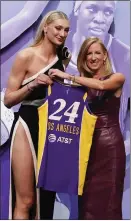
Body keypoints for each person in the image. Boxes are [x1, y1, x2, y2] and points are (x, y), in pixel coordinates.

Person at [49, 37, 126, 219]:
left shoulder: (117, 78)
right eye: (88, 53)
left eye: (97, 53)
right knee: (87, 206)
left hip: (109, 148)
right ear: (83, 58)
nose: (93, 57)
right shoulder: (81, 84)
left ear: (105, 56)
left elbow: (101, 85)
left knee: (109, 204)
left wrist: (69, 76)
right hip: (86, 149)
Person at [4, 10, 70, 220]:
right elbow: (8, 100)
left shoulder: (64, 58)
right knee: (26, 200)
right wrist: (33, 84)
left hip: (51, 128)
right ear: (46, 28)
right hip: (27, 122)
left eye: (66, 30)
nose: (62, 33)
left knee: (46, 197)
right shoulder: (26, 56)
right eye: (58, 28)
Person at [66, 0, 130, 136]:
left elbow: (102, 85)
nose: (100, 19)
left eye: (107, 12)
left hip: (106, 141)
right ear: (77, 10)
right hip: (64, 141)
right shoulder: (57, 52)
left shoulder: (125, 57)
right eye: (92, 9)